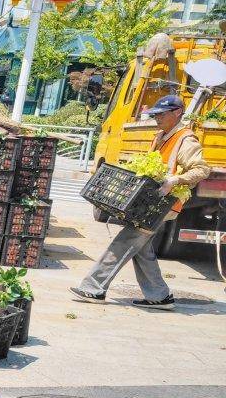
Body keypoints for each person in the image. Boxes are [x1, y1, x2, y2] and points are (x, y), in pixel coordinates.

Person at [72, 95, 210, 309]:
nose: (157, 118)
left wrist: (175, 180)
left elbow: (202, 169)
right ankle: (160, 296)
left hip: (163, 204)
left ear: (177, 113)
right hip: (150, 202)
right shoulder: (161, 136)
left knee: (125, 241)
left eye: (162, 114)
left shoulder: (185, 139)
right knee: (141, 249)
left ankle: (93, 288)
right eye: (155, 114)